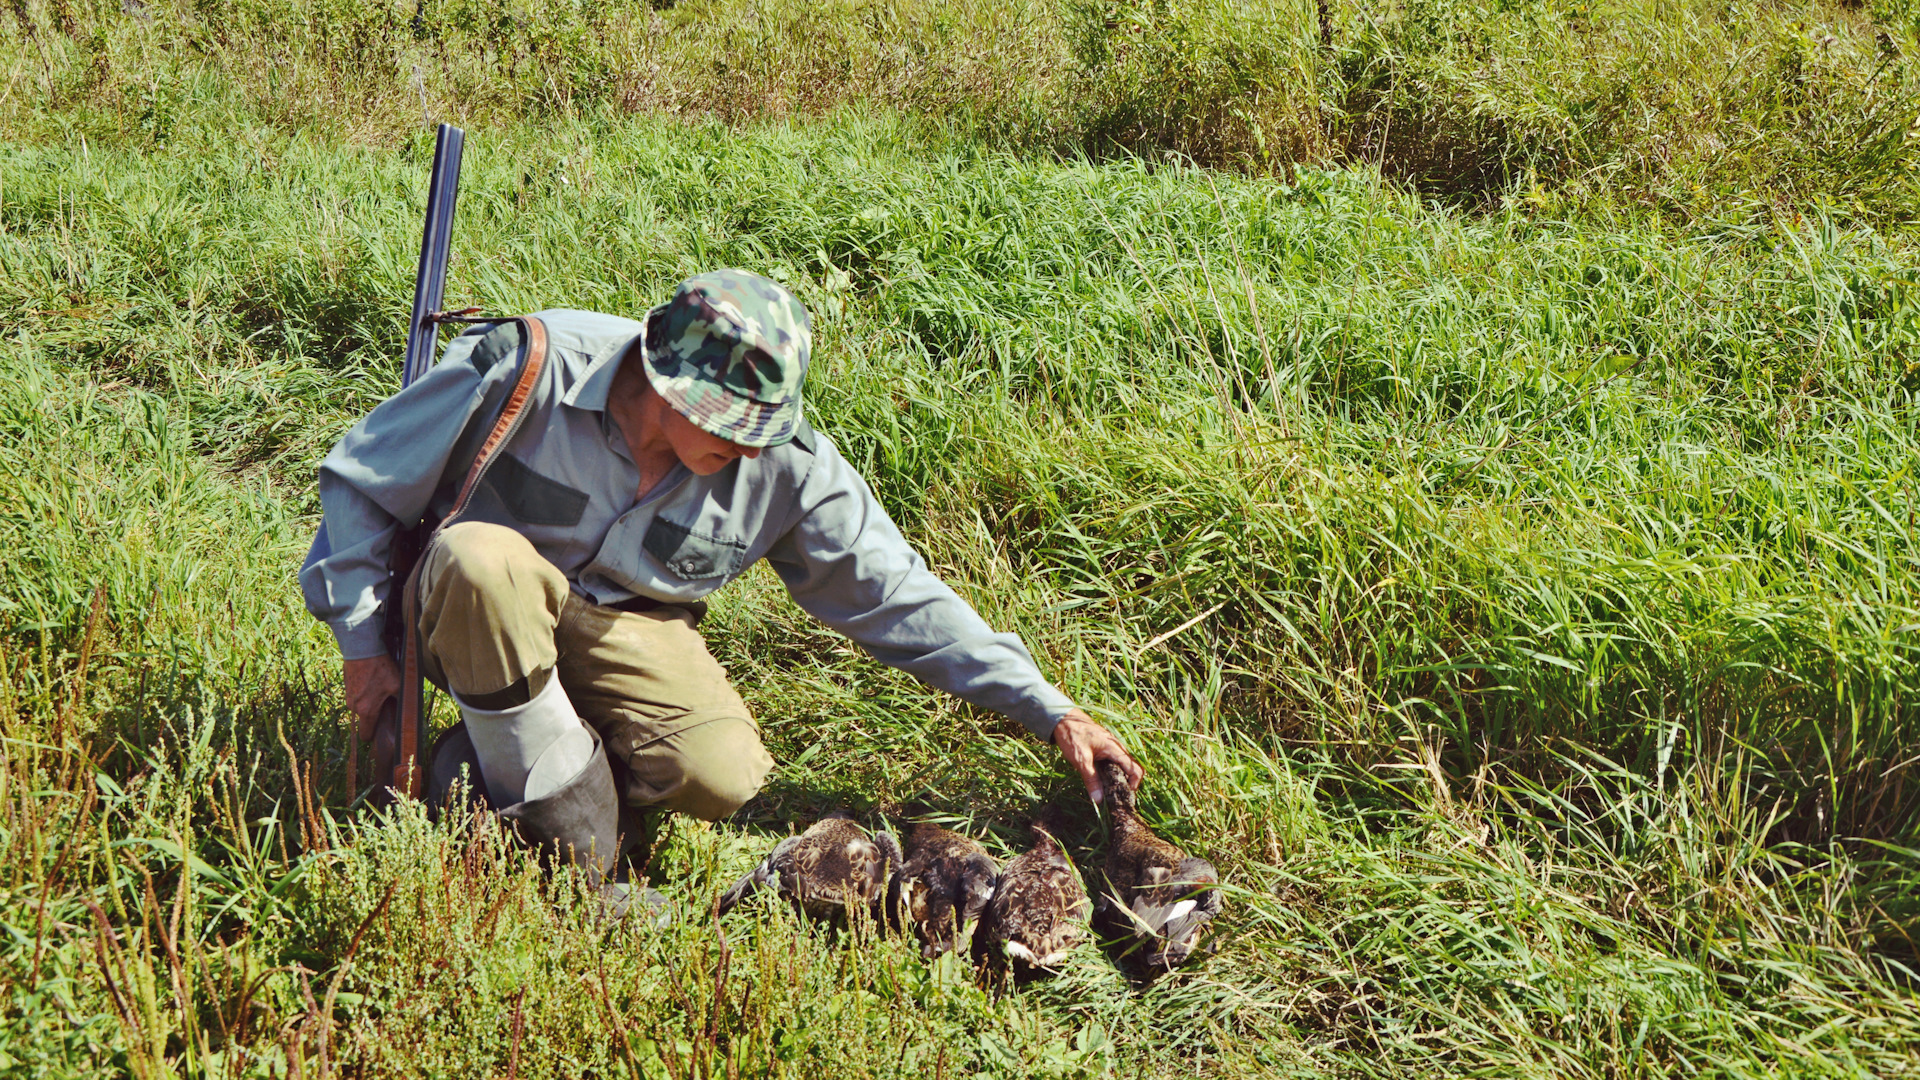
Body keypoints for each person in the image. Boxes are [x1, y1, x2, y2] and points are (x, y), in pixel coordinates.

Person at [300, 269, 1143, 876]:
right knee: (481, 557)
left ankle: (493, 772)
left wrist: (1052, 709)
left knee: (724, 772)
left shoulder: (790, 467)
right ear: (663, 374)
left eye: (759, 428)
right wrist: (364, 643)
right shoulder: (529, 368)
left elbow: (896, 594)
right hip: (472, 606)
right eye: (725, 421)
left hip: (627, 623)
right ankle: (568, 853)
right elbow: (362, 481)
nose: (742, 447)